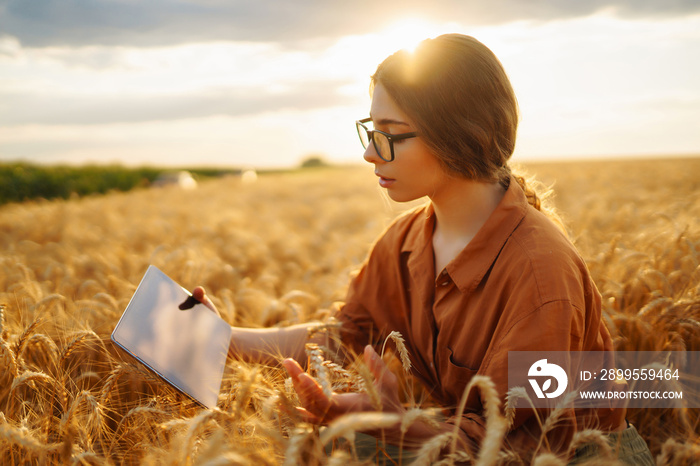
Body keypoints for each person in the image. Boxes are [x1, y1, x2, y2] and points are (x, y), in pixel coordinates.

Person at [194, 34, 654, 464]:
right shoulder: (406, 239)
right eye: (370, 130)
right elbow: (345, 336)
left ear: (460, 134)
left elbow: (523, 443)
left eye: (390, 133)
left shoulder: (539, 272)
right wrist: (224, 338)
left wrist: (398, 429)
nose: (370, 154)